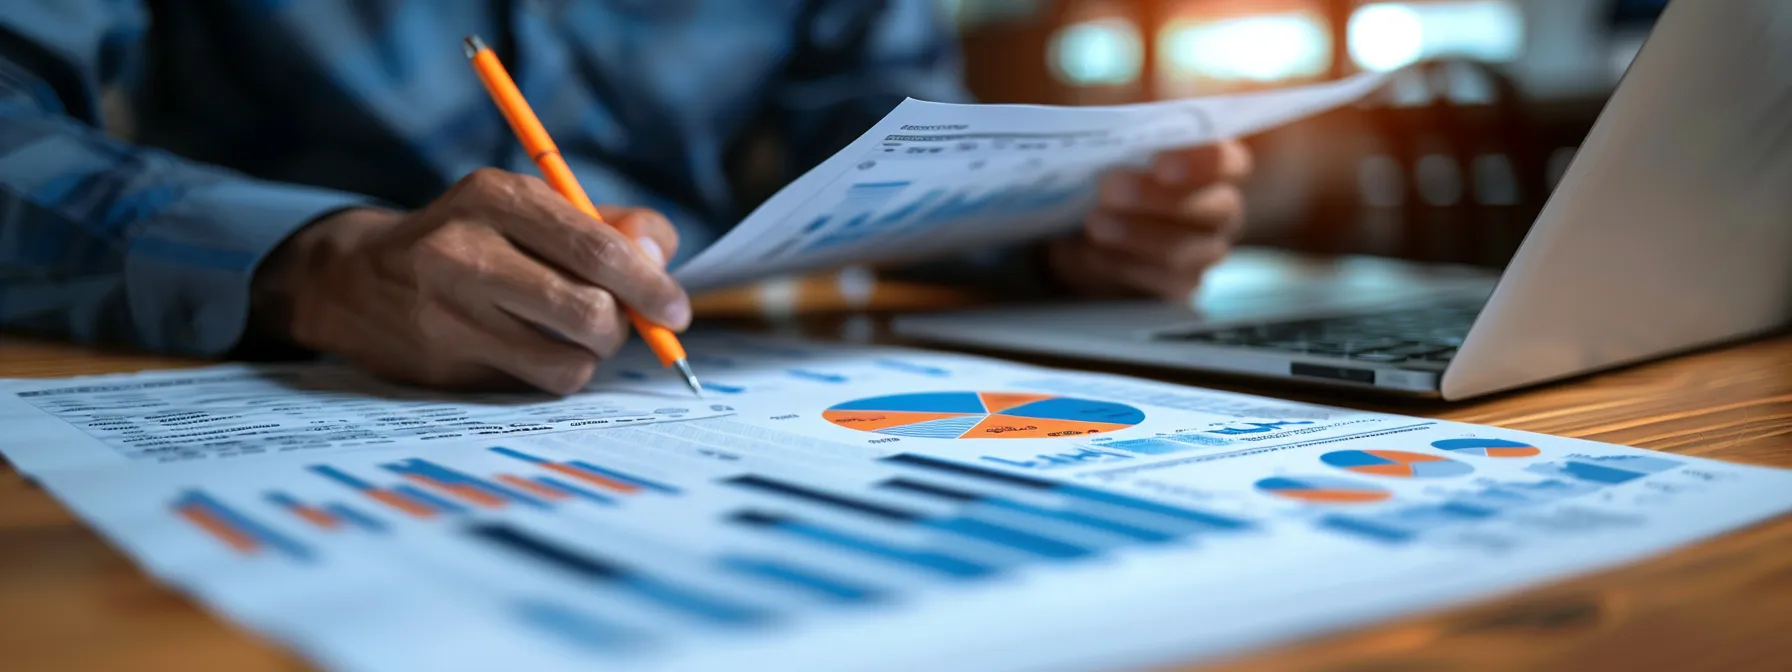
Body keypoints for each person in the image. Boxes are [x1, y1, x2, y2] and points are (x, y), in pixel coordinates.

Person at [0, 1, 1251, 395]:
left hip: (709, 354)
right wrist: (314, 260)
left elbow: (875, 142)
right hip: (266, 374)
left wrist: (1057, 223)